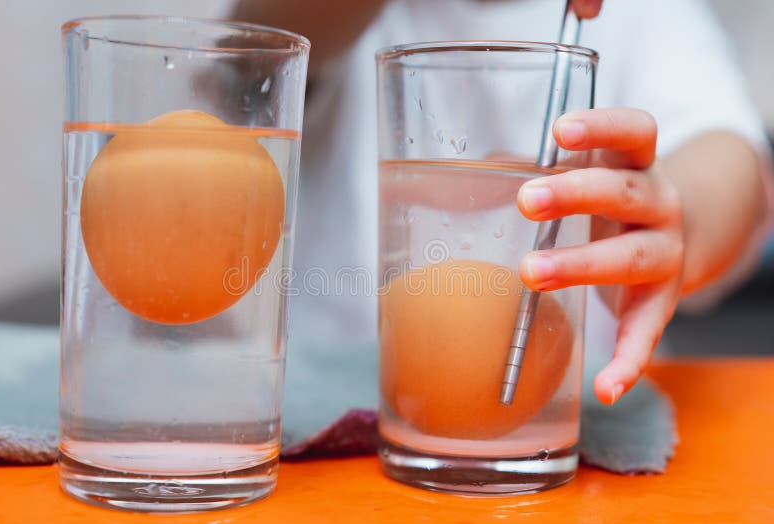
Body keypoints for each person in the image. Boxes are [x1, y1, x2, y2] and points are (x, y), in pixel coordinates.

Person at [231, 0, 773, 404]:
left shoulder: (638, 14)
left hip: (559, 426)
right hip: (325, 415)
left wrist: (673, 215)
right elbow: (254, 52)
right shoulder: (345, 17)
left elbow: (728, 153)